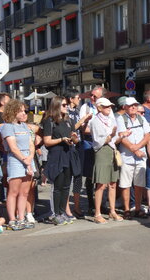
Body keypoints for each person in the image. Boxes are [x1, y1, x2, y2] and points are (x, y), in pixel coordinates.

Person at [43, 96, 80, 226]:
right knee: (57, 186)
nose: (66, 107)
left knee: (66, 186)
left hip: (68, 154)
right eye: (64, 105)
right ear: (57, 106)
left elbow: (76, 140)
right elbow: (46, 141)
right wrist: (61, 140)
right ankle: (56, 214)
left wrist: (74, 138)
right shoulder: (49, 121)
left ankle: (62, 212)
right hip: (56, 156)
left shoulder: (69, 121)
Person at [0, 99, 36, 230]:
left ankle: (22, 217)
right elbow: (13, 147)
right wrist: (24, 160)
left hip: (28, 159)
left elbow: (31, 144)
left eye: (24, 111)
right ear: (13, 112)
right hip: (16, 160)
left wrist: (30, 158)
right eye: (20, 111)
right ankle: (12, 219)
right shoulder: (7, 126)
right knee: (13, 191)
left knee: (25, 192)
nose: (24, 113)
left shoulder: (25, 126)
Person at [115, 97, 150, 219]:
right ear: (125, 107)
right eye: (130, 105)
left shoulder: (142, 118)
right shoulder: (120, 119)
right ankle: (126, 209)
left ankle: (137, 208)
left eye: (135, 105)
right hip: (127, 157)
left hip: (140, 157)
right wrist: (135, 150)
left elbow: (148, 136)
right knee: (125, 184)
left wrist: (137, 147)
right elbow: (122, 137)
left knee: (139, 184)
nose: (133, 107)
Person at [90, 98, 122, 224]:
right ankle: (97, 213)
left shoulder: (111, 119)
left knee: (113, 183)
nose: (109, 108)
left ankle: (112, 211)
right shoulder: (95, 121)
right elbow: (100, 140)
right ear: (99, 107)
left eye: (110, 106)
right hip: (102, 151)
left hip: (112, 150)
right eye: (106, 106)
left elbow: (115, 137)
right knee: (101, 184)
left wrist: (121, 135)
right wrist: (112, 135)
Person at [78, 86, 103, 215]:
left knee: (101, 174)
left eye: (95, 96)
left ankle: (101, 203)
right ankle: (91, 204)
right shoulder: (85, 108)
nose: (92, 98)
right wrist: (100, 131)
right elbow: (84, 129)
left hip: (103, 143)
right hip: (89, 142)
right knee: (89, 174)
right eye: (91, 95)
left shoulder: (105, 108)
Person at [65, 89, 90, 218]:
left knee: (78, 176)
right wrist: (83, 119)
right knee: (68, 177)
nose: (79, 99)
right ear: (71, 99)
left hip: (79, 145)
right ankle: (67, 207)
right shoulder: (66, 112)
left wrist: (84, 122)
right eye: (77, 97)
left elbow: (79, 128)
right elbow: (70, 128)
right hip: (69, 147)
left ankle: (77, 206)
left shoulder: (76, 111)